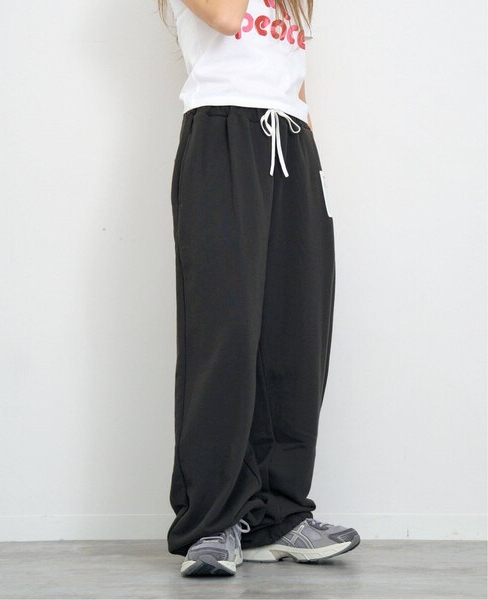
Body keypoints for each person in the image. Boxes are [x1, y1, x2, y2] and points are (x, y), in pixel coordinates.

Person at [160, 0, 361, 576]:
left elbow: (292, 73)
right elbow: (225, 18)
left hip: (290, 139)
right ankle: (212, 522)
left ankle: (278, 515)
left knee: (295, 334)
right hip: (221, 133)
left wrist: (308, 146)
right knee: (225, 333)